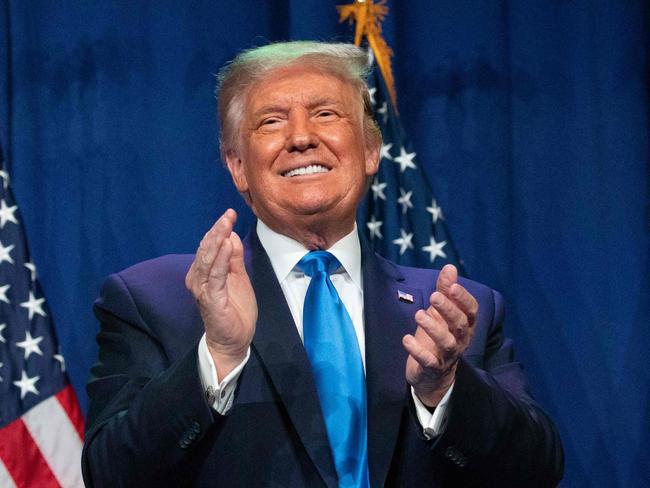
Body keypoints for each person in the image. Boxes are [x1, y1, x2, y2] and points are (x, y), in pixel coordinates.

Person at [82, 41, 563, 487]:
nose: (301, 137)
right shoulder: (155, 300)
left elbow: (537, 471)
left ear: (371, 150)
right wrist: (219, 356)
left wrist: (446, 389)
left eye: (326, 114)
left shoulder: (458, 311)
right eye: (270, 121)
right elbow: (108, 475)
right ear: (236, 166)